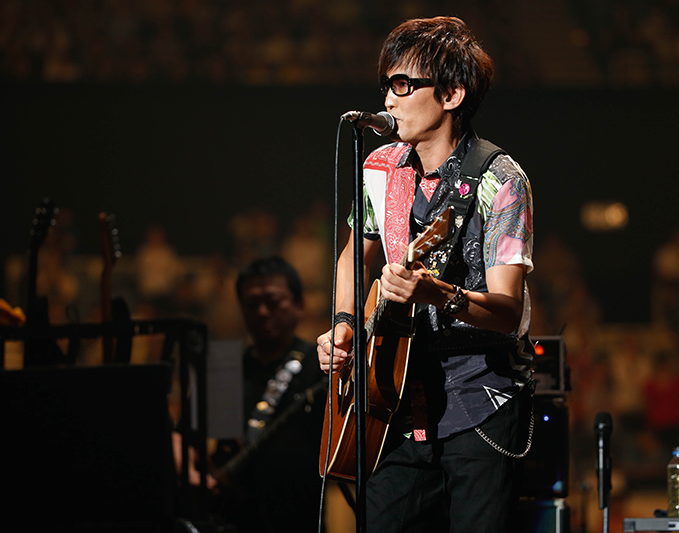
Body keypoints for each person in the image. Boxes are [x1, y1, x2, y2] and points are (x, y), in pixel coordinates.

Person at [317, 17, 535, 532]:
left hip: (480, 401)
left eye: (402, 85)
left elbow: (507, 311)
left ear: (452, 95)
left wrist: (441, 294)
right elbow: (354, 256)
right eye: (386, 85)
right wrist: (345, 322)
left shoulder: (502, 181)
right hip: (394, 398)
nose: (388, 101)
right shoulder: (380, 167)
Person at [208, 256, 327, 532]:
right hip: (231, 520)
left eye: (273, 302)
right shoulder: (226, 370)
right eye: (252, 304)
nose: (262, 312)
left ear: (299, 304)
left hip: (300, 520)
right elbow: (186, 438)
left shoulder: (321, 365)